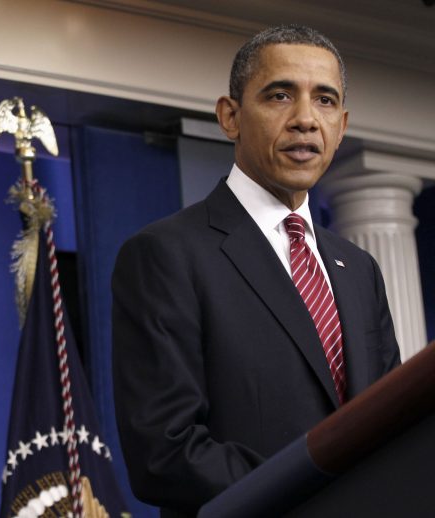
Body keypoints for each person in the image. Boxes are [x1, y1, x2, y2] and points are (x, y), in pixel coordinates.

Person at [112, 25, 400, 517]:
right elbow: (165, 452)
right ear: (230, 117)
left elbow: (391, 424)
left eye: (325, 100)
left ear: (342, 125)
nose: (306, 120)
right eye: (280, 95)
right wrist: (325, 493)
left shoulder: (359, 270)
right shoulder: (166, 254)